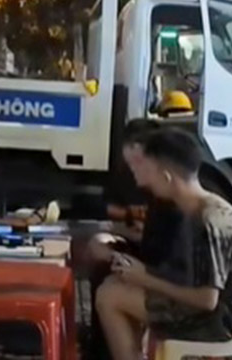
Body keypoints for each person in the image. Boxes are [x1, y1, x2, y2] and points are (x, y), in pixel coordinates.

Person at [95, 128, 232, 360]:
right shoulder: (200, 208)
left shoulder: (208, 222)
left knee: (109, 296)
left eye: (148, 171)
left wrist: (145, 278)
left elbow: (207, 300)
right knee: (116, 284)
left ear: (166, 177)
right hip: (212, 309)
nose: (145, 180)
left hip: (218, 322)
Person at [82, 118, 185, 360]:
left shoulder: (176, 202)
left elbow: (202, 293)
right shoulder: (158, 191)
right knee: (102, 264)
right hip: (158, 268)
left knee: (109, 292)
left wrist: (140, 273)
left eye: (137, 165)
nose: (134, 173)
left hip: (183, 298)